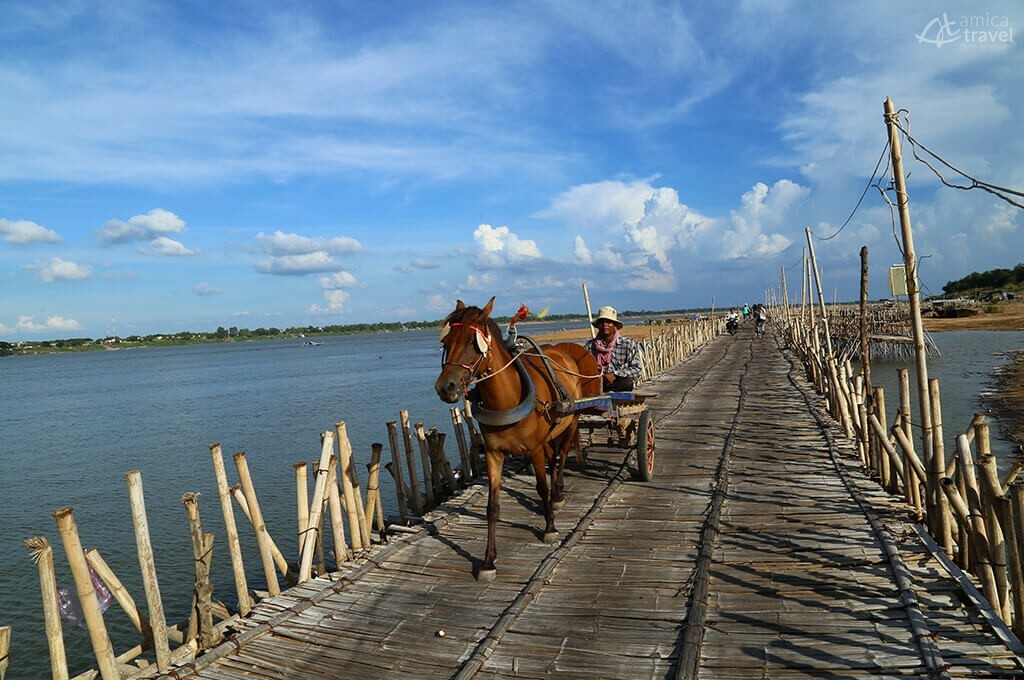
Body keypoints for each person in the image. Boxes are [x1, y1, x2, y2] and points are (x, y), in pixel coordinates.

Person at [585, 306, 643, 392]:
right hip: (598, 385)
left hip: (620, 385)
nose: (605, 325)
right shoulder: (590, 346)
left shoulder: (627, 344)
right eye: (602, 322)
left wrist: (615, 375)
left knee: (627, 381)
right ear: (598, 326)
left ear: (615, 325)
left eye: (609, 322)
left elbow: (637, 370)